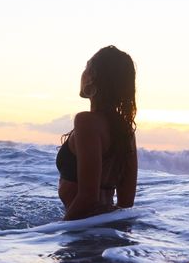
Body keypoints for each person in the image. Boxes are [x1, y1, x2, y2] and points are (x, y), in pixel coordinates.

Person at [57, 45, 138, 220]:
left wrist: (57, 231)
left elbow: (88, 197)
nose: (82, 73)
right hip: (104, 231)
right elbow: (126, 203)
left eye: (86, 67)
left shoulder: (86, 122)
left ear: (93, 77)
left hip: (81, 230)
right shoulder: (126, 131)